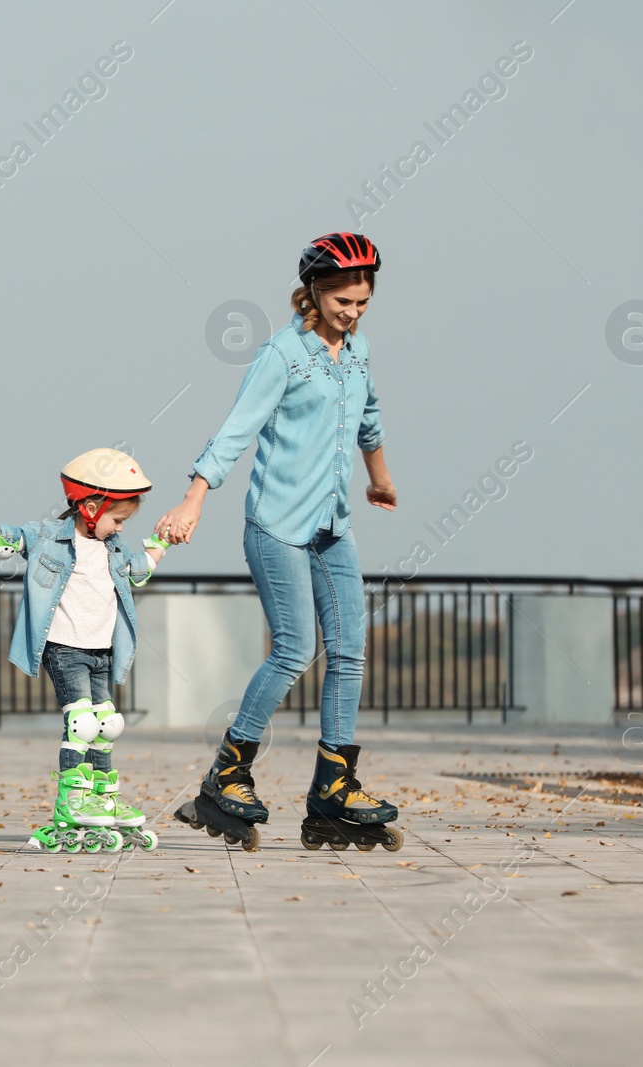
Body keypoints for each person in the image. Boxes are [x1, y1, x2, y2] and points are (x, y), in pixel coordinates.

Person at [157, 232, 403, 851]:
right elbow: (235, 431)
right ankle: (227, 776)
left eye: (362, 303)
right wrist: (194, 497)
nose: (352, 312)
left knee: (349, 649)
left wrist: (379, 478)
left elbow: (367, 416)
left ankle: (334, 787)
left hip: (330, 525)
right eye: (343, 301)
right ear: (315, 293)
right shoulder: (282, 355)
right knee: (294, 649)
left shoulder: (358, 351)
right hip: (276, 525)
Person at [0, 448, 171, 852]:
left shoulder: (116, 549)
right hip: (65, 649)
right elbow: (6, 543)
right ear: (90, 507)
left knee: (107, 724)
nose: (119, 528)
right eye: (117, 519)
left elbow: (140, 571)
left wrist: (164, 540)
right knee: (82, 724)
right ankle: (72, 799)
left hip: (102, 652)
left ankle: (103, 798)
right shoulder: (47, 537)